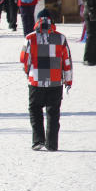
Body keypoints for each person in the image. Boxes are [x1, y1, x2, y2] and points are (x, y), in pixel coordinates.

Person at [20, 9, 72, 151]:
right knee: (53, 112)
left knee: (35, 109)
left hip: (36, 80)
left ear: (37, 21)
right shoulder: (61, 38)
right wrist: (68, 80)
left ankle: (38, 140)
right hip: (55, 81)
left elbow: (24, 58)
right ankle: (52, 144)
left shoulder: (30, 38)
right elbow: (66, 60)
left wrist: (27, 72)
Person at [80, 0, 96, 66]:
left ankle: (94, 57)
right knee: (91, 35)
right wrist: (92, 11)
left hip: (94, 11)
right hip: (90, 12)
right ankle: (88, 58)